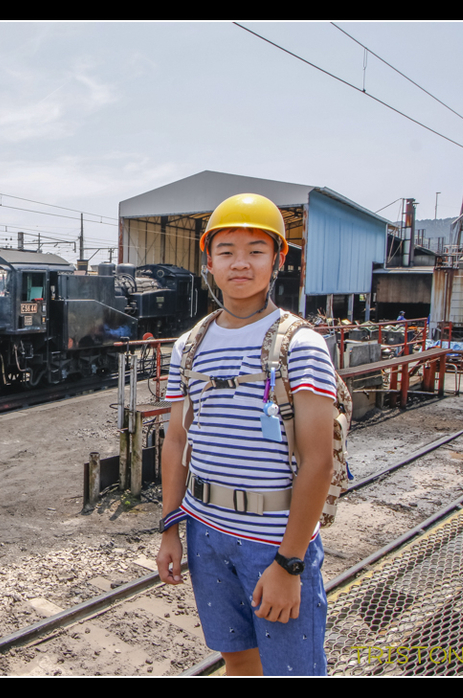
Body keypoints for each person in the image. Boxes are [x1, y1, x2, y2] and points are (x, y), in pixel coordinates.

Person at [155, 193, 338, 676]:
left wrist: (290, 564)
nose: (241, 263)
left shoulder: (301, 345)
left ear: (278, 259)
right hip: (205, 532)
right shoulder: (188, 348)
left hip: (274, 540)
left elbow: (320, 461)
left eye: (256, 251)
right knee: (237, 659)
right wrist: (169, 530)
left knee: (291, 669)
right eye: (227, 251)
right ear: (208, 260)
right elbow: (176, 441)